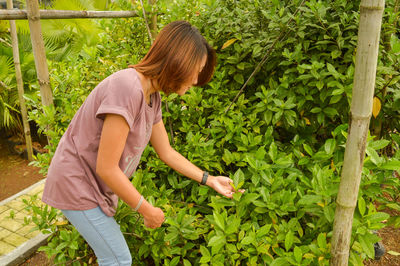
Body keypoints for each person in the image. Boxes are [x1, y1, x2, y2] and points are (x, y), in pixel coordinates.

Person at [42, 20, 240, 265]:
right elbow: (106, 167)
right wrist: (147, 210)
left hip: (91, 188)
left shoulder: (151, 96)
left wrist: (209, 180)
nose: (197, 79)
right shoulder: (127, 87)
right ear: (179, 60)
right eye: (197, 70)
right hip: (76, 185)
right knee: (117, 259)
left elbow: (166, 151)